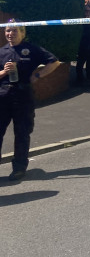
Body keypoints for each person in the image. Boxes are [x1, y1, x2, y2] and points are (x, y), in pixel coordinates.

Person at [0, 21, 60, 181]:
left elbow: (54, 62)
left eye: (13, 31)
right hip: (3, 97)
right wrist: (4, 72)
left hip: (23, 97)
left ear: (22, 33)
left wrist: (38, 75)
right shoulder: (2, 51)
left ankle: (19, 169)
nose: (10, 34)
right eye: (7, 31)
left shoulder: (32, 49)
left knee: (22, 133)